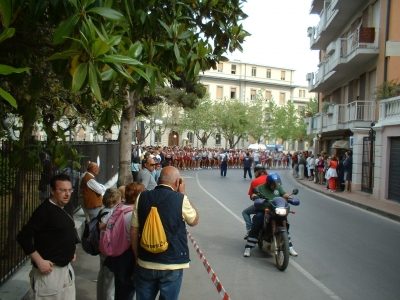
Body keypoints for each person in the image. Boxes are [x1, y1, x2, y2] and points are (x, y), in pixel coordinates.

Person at [130, 166, 199, 300]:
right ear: (176, 182)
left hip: (146, 261)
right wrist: (183, 193)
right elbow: (194, 220)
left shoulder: (142, 197)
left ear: (159, 179)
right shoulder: (180, 199)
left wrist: (137, 256)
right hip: (172, 263)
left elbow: (133, 232)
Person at [17, 174, 78, 300]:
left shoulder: (67, 207)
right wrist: (39, 261)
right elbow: (23, 237)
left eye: (69, 190)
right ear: (52, 191)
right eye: (62, 190)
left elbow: (65, 231)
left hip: (66, 270)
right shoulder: (44, 211)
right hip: (50, 273)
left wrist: (71, 251)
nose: (67, 194)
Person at [103, 183, 145, 300]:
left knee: (119, 288)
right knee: (128, 290)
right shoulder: (134, 214)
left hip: (116, 254)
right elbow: (134, 236)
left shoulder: (119, 207)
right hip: (128, 255)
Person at [244, 173, 297, 257]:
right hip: (264, 210)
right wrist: (255, 197)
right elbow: (253, 194)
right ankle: (248, 247)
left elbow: (284, 194)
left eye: (276, 184)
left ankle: (289, 247)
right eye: (273, 184)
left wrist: (289, 197)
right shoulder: (261, 187)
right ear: (269, 183)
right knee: (258, 220)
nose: (275, 186)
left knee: (285, 223)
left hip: (275, 210)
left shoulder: (278, 187)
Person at [97, 188, 120, 300]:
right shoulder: (109, 212)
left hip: (102, 245)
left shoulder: (103, 210)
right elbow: (101, 225)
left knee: (103, 273)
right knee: (109, 279)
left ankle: (101, 297)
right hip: (108, 246)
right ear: (115, 200)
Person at [242, 165, 268, 239]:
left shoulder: (255, 181)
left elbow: (251, 196)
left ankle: (249, 229)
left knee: (245, 212)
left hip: (261, 205)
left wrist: (255, 197)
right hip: (274, 205)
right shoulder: (272, 179)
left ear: (256, 172)